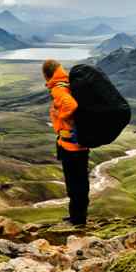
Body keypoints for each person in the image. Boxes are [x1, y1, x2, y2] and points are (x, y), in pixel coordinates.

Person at [43, 59, 90, 226]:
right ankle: (77, 216)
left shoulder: (59, 89)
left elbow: (70, 105)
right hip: (76, 143)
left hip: (72, 146)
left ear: (47, 75)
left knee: (75, 183)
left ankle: (78, 220)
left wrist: (60, 116)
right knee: (79, 182)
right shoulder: (66, 84)